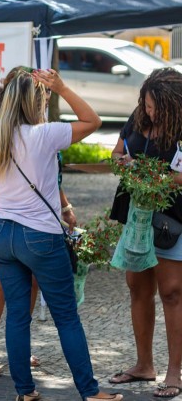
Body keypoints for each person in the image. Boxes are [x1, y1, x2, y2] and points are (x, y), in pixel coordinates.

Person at [0, 67, 121, 401]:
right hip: (40, 235)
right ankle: (90, 392)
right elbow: (92, 120)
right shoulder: (45, 134)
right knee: (66, 316)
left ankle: (25, 392)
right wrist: (62, 87)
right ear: (35, 103)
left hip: (2, 234)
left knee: (18, 315)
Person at [0, 70, 78, 377]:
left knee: (30, 285)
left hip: (34, 214)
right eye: (41, 93)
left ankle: (19, 354)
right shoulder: (2, 126)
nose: (44, 98)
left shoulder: (41, 126)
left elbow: (45, 175)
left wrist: (64, 205)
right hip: (6, 208)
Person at [107, 67, 182, 399]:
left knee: (172, 293)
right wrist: (124, 165)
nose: (149, 112)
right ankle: (144, 365)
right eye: (147, 105)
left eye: (155, 107)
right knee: (138, 288)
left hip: (170, 220)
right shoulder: (137, 118)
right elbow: (116, 153)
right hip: (135, 217)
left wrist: (157, 180)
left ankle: (175, 373)